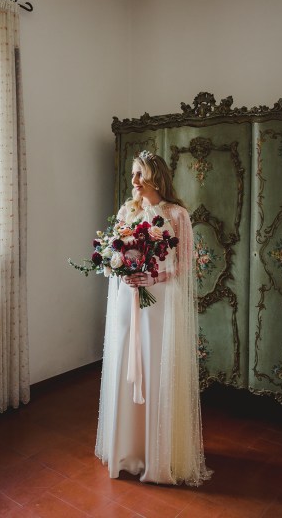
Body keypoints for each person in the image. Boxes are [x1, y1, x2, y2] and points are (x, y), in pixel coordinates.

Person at [95, 150, 212, 486]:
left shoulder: (177, 215)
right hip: (128, 299)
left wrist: (153, 278)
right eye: (133, 174)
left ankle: (157, 454)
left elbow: (185, 265)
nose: (133, 182)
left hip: (159, 303)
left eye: (140, 174)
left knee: (154, 365)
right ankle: (127, 451)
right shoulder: (126, 212)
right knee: (125, 367)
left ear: (156, 178)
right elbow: (116, 253)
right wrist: (122, 270)